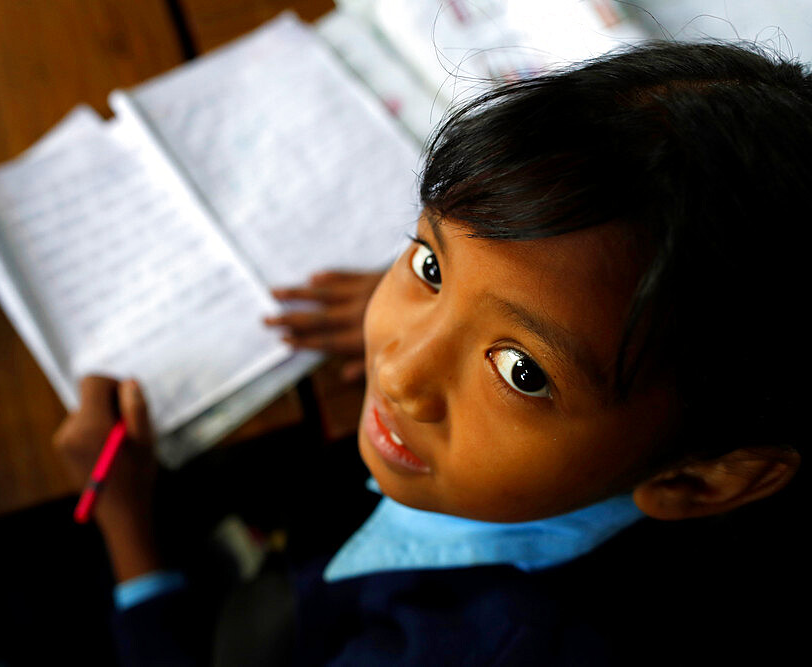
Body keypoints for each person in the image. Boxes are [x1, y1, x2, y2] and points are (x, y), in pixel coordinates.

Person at [51, 40, 811, 665]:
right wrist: (464, 317)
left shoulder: (480, 644)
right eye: (430, 265)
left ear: (696, 482)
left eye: (522, 370)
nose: (401, 368)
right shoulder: (658, 408)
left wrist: (130, 534)